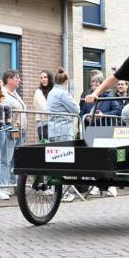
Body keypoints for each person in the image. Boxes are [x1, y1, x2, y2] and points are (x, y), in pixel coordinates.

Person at [47, 67, 79, 202]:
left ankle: (57, 191)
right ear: (66, 81)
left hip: (53, 130)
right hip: (64, 129)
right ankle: (63, 192)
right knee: (64, 161)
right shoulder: (63, 93)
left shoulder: (51, 92)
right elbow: (76, 109)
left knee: (55, 161)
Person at [2, 69, 27, 193]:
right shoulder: (4, 93)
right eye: (17, 78)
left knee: (17, 160)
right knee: (6, 158)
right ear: (9, 80)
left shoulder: (16, 94)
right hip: (10, 130)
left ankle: (15, 185)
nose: (19, 80)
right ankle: (4, 186)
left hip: (20, 130)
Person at [33, 70, 53, 141]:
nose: (43, 79)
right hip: (43, 124)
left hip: (53, 125)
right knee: (46, 148)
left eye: (45, 77)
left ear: (49, 78)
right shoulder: (38, 92)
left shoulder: (53, 90)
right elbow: (44, 108)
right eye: (41, 78)